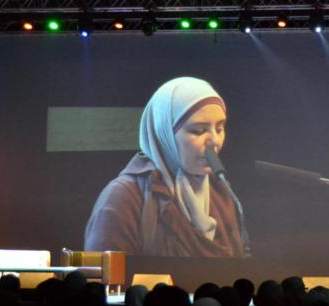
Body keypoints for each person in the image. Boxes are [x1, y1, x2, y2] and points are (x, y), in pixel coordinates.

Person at [84, 77, 244, 257]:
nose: (214, 140)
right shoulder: (124, 198)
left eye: (220, 128)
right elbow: (104, 280)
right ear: (163, 133)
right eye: (198, 131)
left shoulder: (221, 194)